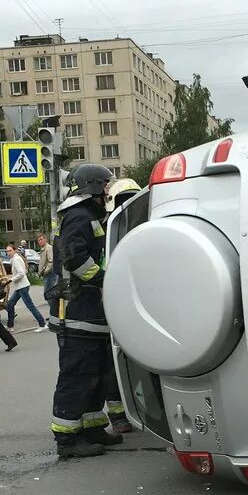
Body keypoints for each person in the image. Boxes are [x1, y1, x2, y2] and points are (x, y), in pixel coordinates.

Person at [48, 163, 123, 459]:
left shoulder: (91, 215)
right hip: (77, 310)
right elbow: (73, 256)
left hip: (89, 312)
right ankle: (66, 438)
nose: (108, 190)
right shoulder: (79, 215)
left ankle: (91, 427)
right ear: (92, 186)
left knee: (96, 374)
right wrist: (103, 279)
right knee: (77, 375)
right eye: (105, 185)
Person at [102, 178, 142, 433]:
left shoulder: (145, 226)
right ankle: (119, 414)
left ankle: (137, 409)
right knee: (114, 359)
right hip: (114, 301)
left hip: (135, 300)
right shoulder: (107, 231)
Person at [5, 242, 46, 332]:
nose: (8, 252)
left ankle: (42, 323)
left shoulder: (16, 260)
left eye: (10, 251)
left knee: (30, 306)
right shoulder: (15, 259)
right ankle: (10, 326)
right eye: (7, 251)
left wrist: (11, 279)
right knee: (10, 304)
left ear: (14, 250)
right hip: (21, 286)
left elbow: (21, 273)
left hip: (22, 286)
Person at [37, 232, 56, 303]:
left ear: (45, 239)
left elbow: (51, 261)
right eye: (38, 240)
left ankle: (53, 307)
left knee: (48, 292)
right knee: (48, 292)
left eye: (41, 239)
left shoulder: (48, 248)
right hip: (46, 274)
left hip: (50, 273)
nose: (40, 241)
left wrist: (45, 271)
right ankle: (53, 305)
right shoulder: (43, 249)